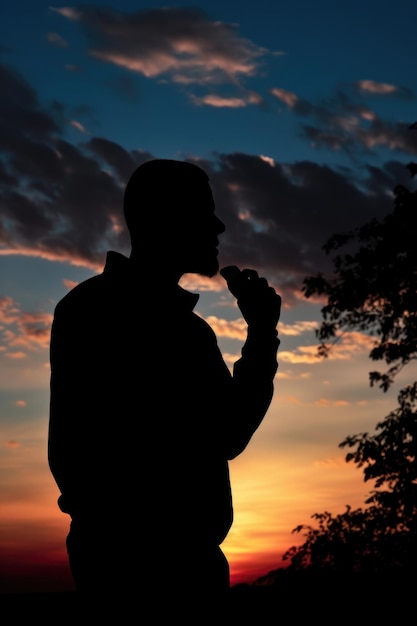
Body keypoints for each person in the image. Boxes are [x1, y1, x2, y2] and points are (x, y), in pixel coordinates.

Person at [48, 159, 281, 616]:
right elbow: (230, 433)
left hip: (137, 562)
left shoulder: (92, 309)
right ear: (165, 219)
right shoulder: (163, 327)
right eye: (204, 212)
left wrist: (261, 333)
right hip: (152, 572)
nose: (219, 225)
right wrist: (262, 334)